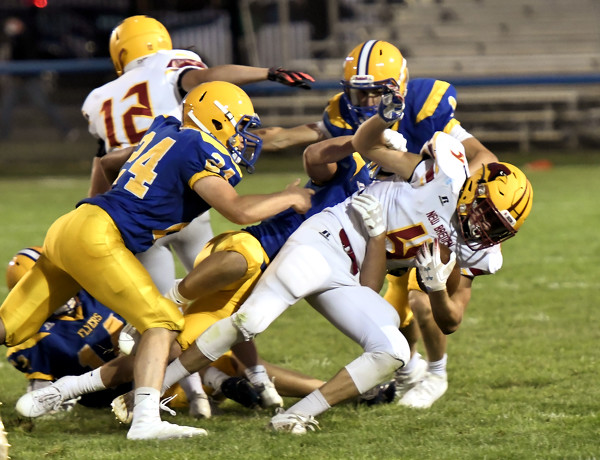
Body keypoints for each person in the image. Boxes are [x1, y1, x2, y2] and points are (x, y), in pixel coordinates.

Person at [147, 94, 533, 433]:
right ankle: (156, 386)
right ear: (472, 189)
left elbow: (448, 320)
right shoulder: (439, 176)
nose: (484, 229)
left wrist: (434, 289)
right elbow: (364, 145)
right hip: (326, 241)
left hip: (352, 274)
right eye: (485, 214)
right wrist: (383, 118)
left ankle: (295, 416)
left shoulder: (476, 247)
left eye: (497, 227)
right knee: (250, 321)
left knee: (394, 351)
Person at [8, 80, 313, 441]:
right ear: (217, 120)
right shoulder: (199, 148)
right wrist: (290, 198)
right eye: (240, 126)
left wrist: (106, 204)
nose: (243, 137)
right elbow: (238, 210)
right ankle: (146, 421)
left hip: (70, 226)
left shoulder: (166, 131)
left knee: (10, 325)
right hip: (97, 234)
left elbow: (109, 161)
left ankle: (121, 407)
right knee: (163, 321)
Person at [20, 119, 378, 423]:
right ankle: (173, 297)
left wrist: (376, 238)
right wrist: (361, 136)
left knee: (170, 348)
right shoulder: (356, 171)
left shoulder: (392, 211)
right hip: (258, 250)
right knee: (243, 258)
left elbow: (372, 282)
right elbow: (314, 154)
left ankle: (64, 389)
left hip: (271, 287)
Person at [255, 39, 500, 408]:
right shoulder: (345, 113)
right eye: (361, 92)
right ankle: (410, 367)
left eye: (377, 92)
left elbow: (484, 156)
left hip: (430, 218)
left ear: (400, 87)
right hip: (384, 223)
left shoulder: (423, 107)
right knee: (382, 307)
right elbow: (285, 137)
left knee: (422, 300)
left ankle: (436, 373)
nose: (368, 101)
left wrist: (451, 189)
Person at [5, 246, 132, 411]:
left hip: (145, 362)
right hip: (107, 396)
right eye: (50, 284)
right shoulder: (36, 338)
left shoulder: (93, 288)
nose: (60, 285)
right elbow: (40, 392)